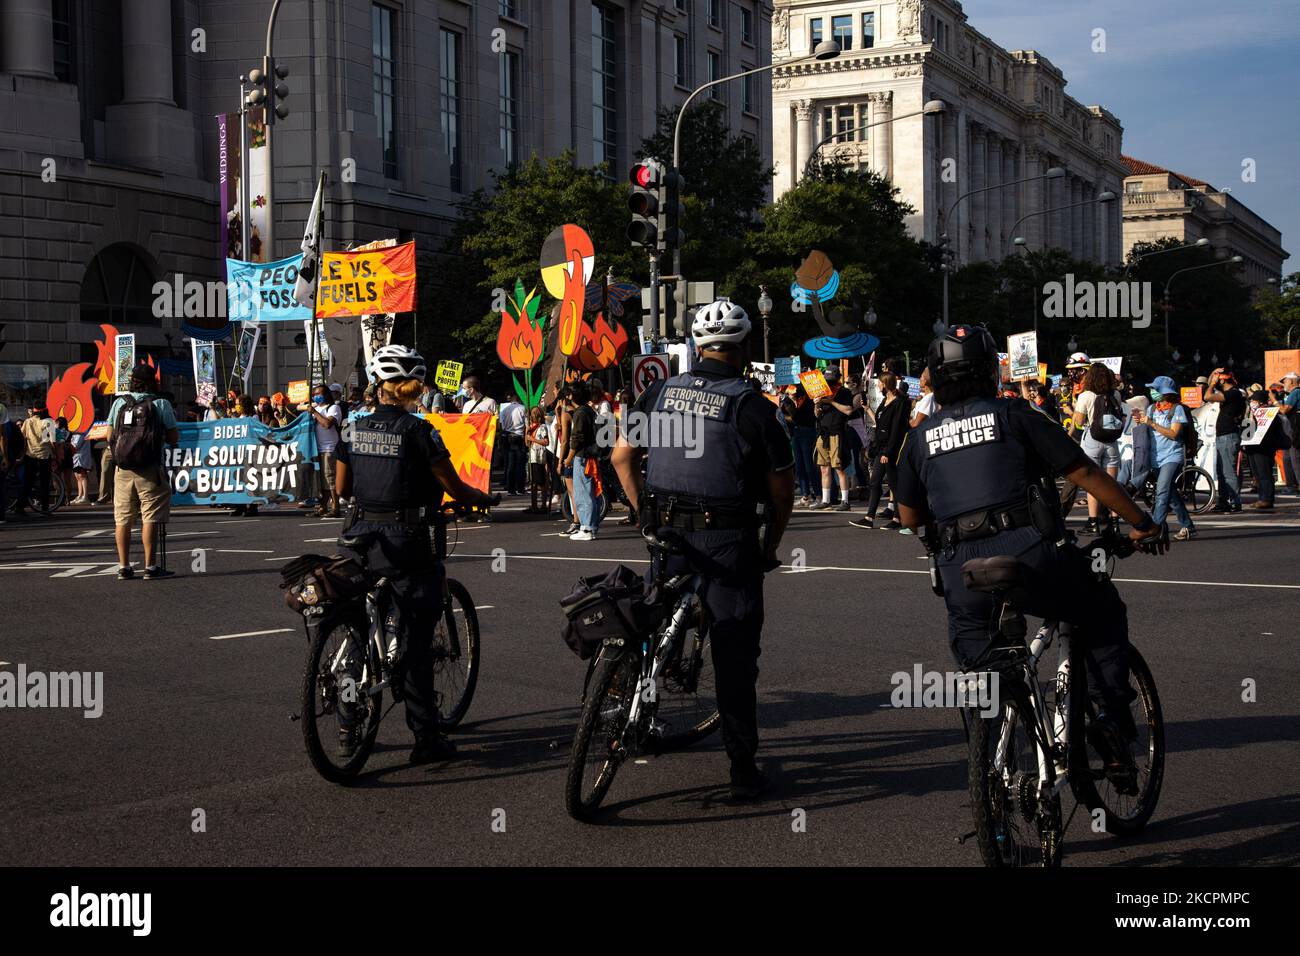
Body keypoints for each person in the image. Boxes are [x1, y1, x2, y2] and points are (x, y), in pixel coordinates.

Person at [894, 325, 1166, 791]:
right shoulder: (1015, 413)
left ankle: (990, 767)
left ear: (935, 379)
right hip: (1030, 554)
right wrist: (1141, 522)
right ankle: (1109, 720)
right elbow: (1081, 470)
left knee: (982, 671)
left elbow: (907, 514)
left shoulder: (919, 438)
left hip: (961, 568)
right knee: (1099, 609)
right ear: (989, 373)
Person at [612, 298, 795, 800]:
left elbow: (622, 456)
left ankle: (634, 702)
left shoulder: (659, 392)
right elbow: (782, 495)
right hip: (727, 540)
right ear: (742, 349)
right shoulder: (754, 407)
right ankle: (741, 769)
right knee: (735, 656)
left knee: (650, 618)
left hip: (666, 531)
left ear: (697, 345)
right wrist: (769, 546)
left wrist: (637, 512)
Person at [334, 344, 497, 765]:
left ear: (379, 385)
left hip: (357, 534)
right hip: (407, 539)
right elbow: (451, 485)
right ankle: (426, 738)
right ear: (417, 388)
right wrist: (479, 497)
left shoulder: (352, 428)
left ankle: (347, 719)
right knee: (416, 641)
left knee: (358, 625)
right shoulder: (420, 431)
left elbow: (341, 489)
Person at [106, 363, 179, 579]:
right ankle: (150, 566)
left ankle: (124, 566)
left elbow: (109, 435)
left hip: (123, 468)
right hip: (149, 468)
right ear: (152, 381)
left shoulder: (119, 402)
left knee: (122, 518)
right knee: (150, 516)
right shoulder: (161, 404)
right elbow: (174, 437)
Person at [1132, 376, 1196, 539]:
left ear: (1165, 392)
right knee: (1171, 495)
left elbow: (1174, 434)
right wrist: (1140, 422)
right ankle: (1188, 527)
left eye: (1156, 389)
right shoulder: (1152, 408)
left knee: (1161, 491)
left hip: (1172, 457)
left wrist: (1152, 423)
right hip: (1154, 458)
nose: (1152, 392)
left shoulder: (1177, 409)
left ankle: (1155, 528)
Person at [1072, 362, 1126, 534]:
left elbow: (1079, 422)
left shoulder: (1085, 395)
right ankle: (1115, 522)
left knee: (1093, 484)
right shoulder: (1116, 394)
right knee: (1113, 485)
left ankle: (1093, 522)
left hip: (1092, 440)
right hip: (1112, 441)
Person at [851, 371, 908, 530]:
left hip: (890, 449)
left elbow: (896, 429)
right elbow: (880, 422)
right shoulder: (885, 401)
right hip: (880, 447)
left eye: (880, 383)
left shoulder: (899, 402)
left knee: (893, 484)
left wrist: (888, 452)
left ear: (886, 383)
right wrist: (868, 409)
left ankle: (898, 518)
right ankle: (869, 517)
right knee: (875, 481)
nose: (878, 386)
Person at [809, 366, 854, 511]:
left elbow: (848, 410)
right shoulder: (821, 392)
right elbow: (816, 415)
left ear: (838, 379)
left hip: (837, 433)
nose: (829, 383)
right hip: (823, 433)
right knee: (824, 468)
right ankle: (826, 499)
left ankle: (845, 501)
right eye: (827, 380)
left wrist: (831, 402)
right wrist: (816, 405)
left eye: (832, 380)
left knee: (839, 468)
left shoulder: (844, 392)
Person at [1202, 367, 1245, 513]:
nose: (1214, 380)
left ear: (1223, 379)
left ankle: (1234, 502)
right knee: (1221, 472)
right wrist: (1213, 372)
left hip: (1228, 436)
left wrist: (1213, 385)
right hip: (1223, 436)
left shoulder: (1233, 393)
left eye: (1217, 377)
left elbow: (1207, 397)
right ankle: (1223, 502)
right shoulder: (1229, 393)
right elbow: (1209, 386)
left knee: (1228, 472)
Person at [563, 379, 602, 541]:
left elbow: (577, 438)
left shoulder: (580, 413)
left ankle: (587, 528)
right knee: (588, 492)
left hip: (582, 456)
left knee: (583, 493)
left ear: (572, 396)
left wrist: (568, 458)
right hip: (589, 455)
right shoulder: (589, 410)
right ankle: (589, 527)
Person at [1243, 389, 1289, 510]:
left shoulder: (1270, 414)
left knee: (1265, 474)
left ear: (1261, 402)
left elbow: (1271, 433)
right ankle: (1261, 498)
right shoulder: (1252, 413)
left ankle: (1266, 499)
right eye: (1251, 400)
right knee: (1258, 475)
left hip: (1264, 448)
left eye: (1254, 400)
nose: (1252, 402)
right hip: (1253, 448)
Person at [304, 384, 343, 517]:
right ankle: (322, 507)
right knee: (321, 481)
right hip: (316, 449)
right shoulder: (315, 408)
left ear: (326, 394)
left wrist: (314, 413)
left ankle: (335, 507)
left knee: (330, 478)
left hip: (329, 448)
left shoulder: (333, 408)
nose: (316, 397)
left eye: (319, 394)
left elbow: (327, 424)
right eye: (314, 395)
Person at [16, 405, 54, 518]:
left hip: (30, 455)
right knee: (45, 483)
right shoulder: (48, 422)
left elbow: (23, 437)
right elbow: (51, 440)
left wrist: (22, 453)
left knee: (28, 482)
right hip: (44, 455)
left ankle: (20, 506)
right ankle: (45, 508)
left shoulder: (28, 422)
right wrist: (56, 454)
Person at [498, 394, 528, 496]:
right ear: (519, 399)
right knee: (520, 464)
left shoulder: (504, 410)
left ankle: (511, 489)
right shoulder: (522, 408)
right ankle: (520, 488)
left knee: (510, 464)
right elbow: (527, 425)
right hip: (519, 437)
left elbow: (501, 425)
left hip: (507, 437)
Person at [524, 404, 552, 514]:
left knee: (541, 483)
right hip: (532, 457)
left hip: (540, 457)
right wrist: (527, 432)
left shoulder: (542, 427)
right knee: (533, 483)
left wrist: (533, 439)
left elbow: (546, 442)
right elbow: (527, 444)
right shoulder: (531, 427)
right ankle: (534, 506)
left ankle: (543, 505)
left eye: (535, 413)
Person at [1278, 372, 1300, 493]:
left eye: (1285, 381)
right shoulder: (1291, 394)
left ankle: (1294, 485)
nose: (1284, 384)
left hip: (1294, 429)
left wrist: (1274, 400)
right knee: (1287, 457)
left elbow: (1284, 410)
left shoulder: (1296, 392)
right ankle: (1291, 486)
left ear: (1291, 381)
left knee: (1295, 457)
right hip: (1289, 430)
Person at [69, 427, 94, 504]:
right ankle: (80, 495)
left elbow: (76, 445)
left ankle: (85, 497)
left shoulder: (81, 432)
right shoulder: (75, 433)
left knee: (82, 476)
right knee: (78, 477)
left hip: (81, 457)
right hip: (76, 457)